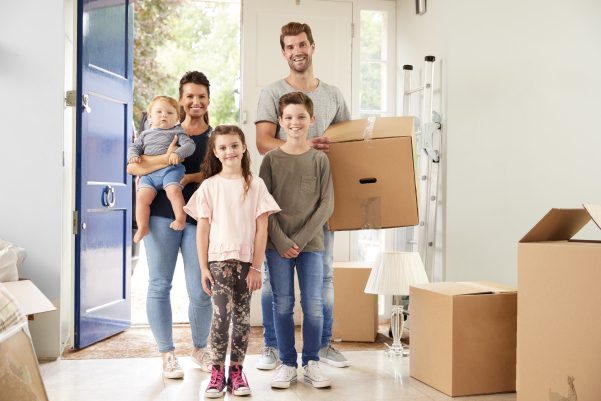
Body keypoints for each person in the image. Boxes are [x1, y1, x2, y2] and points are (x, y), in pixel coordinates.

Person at [255, 21, 350, 370]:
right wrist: (300, 145)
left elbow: (346, 140)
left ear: (313, 46)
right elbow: (263, 142)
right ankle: (273, 346)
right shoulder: (271, 92)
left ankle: (322, 347)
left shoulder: (333, 94)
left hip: (318, 201)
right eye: (290, 46)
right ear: (284, 52)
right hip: (282, 204)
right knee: (274, 284)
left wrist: (321, 154)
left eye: (302, 45)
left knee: (323, 279)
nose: (297, 51)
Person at [126, 71, 213, 379]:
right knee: (159, 284)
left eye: (201, 96)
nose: (195, 101)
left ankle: (200, 348)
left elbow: (219, 176)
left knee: (201, 290)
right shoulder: (159, 129)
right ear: (181, 100)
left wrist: (187, 176)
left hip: (199, 219)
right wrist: (167, 158)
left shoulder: (214, 137)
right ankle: (167, 353)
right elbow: (136, 166)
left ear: (208, 100)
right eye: (189, 96)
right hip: (161, 215)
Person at [184, 125, 280, 398]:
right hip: (217, 263)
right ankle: (216, 372)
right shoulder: (209, 186)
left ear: (244, 147)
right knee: (221, 317)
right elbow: (202, 230)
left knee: (242, 318)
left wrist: (257, 266)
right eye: (223, 147)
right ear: (215, 152)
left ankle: (236, 371)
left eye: (234, 145)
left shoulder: (256, 184)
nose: (229, 151)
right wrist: (203, 267)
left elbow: (262, 229)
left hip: (246, 264)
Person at [259, 92, 334, 389]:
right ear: (280, 121)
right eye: (288, 117)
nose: (295, 122)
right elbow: (263, 204)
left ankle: (312, 362)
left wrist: (299, 241)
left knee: (314, 304)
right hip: (276, 245)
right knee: (282, 304)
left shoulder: (320, 160)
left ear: (311, 120)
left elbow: (326, 205)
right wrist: (281, 240)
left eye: (301, 116)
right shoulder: (271, 160)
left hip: (311, 245)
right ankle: (288, 364)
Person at [128, 95, 196, 243]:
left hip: (171, 170)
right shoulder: (145, 134)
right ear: (150, 116)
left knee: (173, 191)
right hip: (149, 174)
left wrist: (178, 153)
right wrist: (133, 155)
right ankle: (142, 227)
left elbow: (190, 146)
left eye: (170, 113)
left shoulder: (177, 132)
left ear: (177, 118)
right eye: (159, 112)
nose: (164, 115)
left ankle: (180, 219)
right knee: (142, 197)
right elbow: (134, 147)